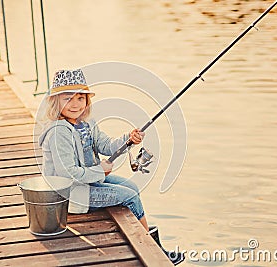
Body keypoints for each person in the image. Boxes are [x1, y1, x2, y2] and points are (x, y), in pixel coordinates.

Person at [38, 69, 184, 265]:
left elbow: (106, 145)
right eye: (68, 98)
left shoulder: (86, 123)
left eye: (80, 98)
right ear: (56, 101)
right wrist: (100, 170)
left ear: (87, 101)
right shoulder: (58, 133)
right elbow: (68, 174)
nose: (75, 104)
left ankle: (148, 240)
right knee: (129, 197)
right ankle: (152, 249)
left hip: (90, 181)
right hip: (71, 194)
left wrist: (129, 139)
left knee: (132, 188)